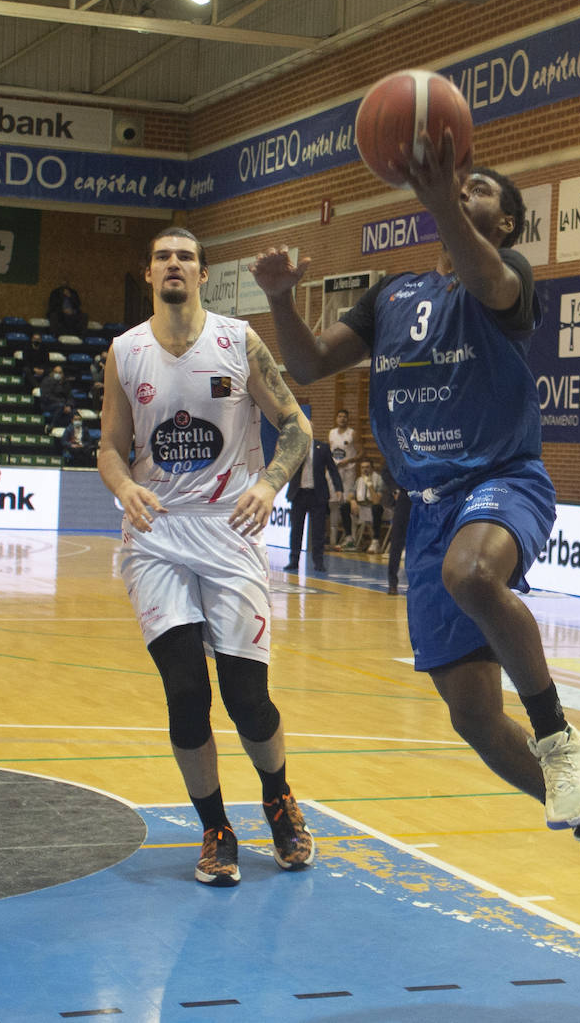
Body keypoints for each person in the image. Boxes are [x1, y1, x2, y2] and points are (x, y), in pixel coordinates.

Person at [251, 138, 580, 905]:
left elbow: (487, 278)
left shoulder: (509, 284)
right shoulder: (392, 296)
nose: (465, 196)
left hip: (502, 479)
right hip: (428, 504)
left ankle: (562, 742)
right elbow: (305, 366)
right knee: (471, 717)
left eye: (480, 193)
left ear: (507, 223)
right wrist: (276, 297)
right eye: (458, 190)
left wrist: (438, 194)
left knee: (471, 574)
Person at [99, 226, 316, 887]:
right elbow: (109, 447)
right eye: (162, 256)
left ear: (201, 273)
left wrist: (268, 482)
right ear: (148, 274)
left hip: (229, 533)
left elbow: (297, 427)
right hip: (158, 536)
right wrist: (125, 484)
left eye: (185, 257)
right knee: (187, 691)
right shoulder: (124, 351)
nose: (173, 265)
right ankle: (216, 827)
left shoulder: (238, 341)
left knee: (247, 698)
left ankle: (278, 800)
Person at [286, 437, 342, 574]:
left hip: (317, 494)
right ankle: (294, 560)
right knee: (296, 529)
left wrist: (338, 488)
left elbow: (332, 469)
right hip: (299, 494)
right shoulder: (294, 446)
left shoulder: (322, 447)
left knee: (318, 530)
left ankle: (318, 561)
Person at [327, 408, 359, 547]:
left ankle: (350, 536)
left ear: (348, 419)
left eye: (344, 417)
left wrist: (349, 461)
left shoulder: (352, 433)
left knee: (346, 504)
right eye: (339, 416)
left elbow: (361, 453)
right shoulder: (331, 433)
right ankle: (332, 537)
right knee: (332, 503)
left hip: (348, 472)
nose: (342, 419)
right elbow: (328, 452)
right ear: (336, 418)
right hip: (334, 472)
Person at [351, 455, 385, 552]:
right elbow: (350, 494)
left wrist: (369, 484)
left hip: (376, 508)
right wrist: (353, 501)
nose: (365, 470)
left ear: (372, 468)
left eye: (367, 467)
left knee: (376, 508)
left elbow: (377, 500)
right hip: (361, 507)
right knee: (345, 506)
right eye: (362, 467)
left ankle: (375, 541)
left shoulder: (379, 479)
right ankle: (350, 539)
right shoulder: (358, 480)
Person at [385, 483, 411, 595]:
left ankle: (416, 583)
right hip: (404, 498)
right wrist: (395, 490)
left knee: (419, 544)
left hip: (424, 498)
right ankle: (392, 583)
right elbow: (386, 471)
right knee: (396, 543)